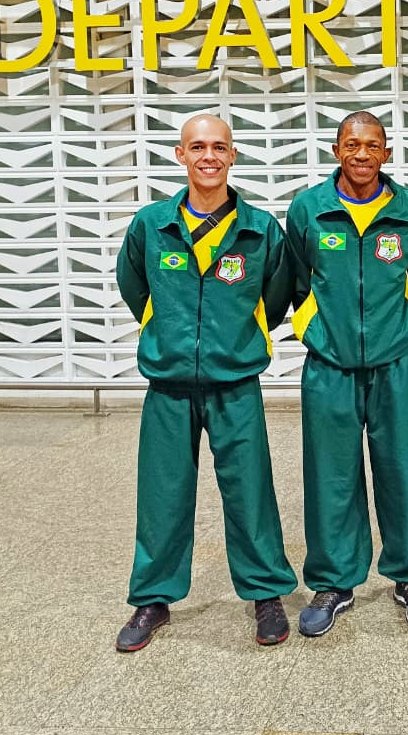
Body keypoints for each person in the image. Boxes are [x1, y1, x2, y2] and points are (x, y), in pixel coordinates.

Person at [114, 114, 297, 651]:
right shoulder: (151, 226)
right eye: (198, 147)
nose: (209, 156)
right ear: (180, 155)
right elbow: (135, 290)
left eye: (219, 147)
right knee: (163, 495)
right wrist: (172, 333)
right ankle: (152, 599)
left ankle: (265, 595)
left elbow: (276, 296)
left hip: (234, 381)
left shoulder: (260, 229)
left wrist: (230, 337)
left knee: (251, 494)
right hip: (168, 385)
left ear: (233, 156)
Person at [285, 111, 408, 636]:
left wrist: (398, 325)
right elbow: (293, 279)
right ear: (335, 150)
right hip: (329, 364)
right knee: (331, 475)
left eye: (372, 145)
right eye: (351, 144)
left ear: (386, 153)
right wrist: (317, 329)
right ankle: (334, 580)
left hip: (397, 361)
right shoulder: (309, 209)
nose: (361, 154)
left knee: (407, 469)